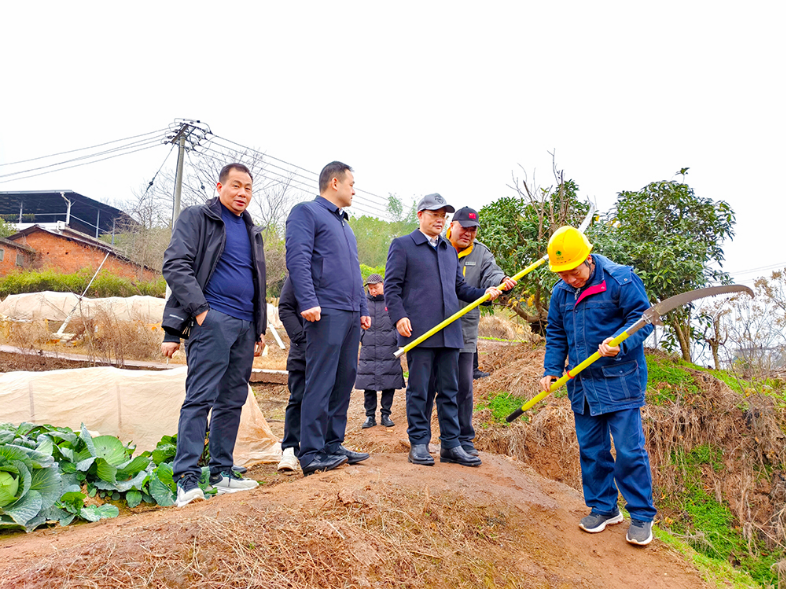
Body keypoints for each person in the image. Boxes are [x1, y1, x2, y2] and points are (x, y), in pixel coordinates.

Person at [539, 226, 656, 546]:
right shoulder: (560, 292)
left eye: (573, 272)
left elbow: (644, 319)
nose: (569, 279)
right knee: (592, 449)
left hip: (620, 380)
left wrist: (622, 344)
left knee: (630, 450)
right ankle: (604, 507)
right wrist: (551, 369)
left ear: (588, 259)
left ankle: (642, 515)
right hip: (582, 382)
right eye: (562, 274)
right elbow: (556, 332)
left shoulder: (620, 280)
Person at [161, 163, 266, 508]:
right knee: (200, 398)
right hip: (213, 320)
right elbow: (176, 264)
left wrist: (259, 328)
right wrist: (202, 312)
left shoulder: (252, 230)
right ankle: (187, 479)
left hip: (244, 324)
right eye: (236, 186)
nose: (242, 193)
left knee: (232, 399)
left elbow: (258, 281)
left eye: (248, 188)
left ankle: (221, 474)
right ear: (220, 186)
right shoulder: (198, 217)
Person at [384, 193, 503, 468]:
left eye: (443, 216)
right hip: (421, 332)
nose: (439, 220)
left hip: (450, 333)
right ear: (420, 215)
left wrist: (484, 293)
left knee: (450, 390)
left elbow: (459, 288)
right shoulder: (403, 246)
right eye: (434, 214)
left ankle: (451, 445)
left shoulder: (449, 250)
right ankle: (419, 443)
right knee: (420, 390)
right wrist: (399, 317)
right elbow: (391, 287)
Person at [285, 161, 371, 476]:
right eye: (351, 183)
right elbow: (297, 257)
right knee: (320, 381)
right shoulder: (306, 212)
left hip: (349, 312)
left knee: (343, 379)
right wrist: (307, 299)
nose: (354, 189)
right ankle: (310, 452)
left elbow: (354, 270)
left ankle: (333, 444)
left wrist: (363, 307)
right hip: (325, 310)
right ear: (334, 182)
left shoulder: (345, 225)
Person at [429, 207, 516, 456]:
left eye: (473, 229)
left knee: (463, 387)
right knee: (428, 385)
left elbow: (493, 273)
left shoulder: (481, 252)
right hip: (433, 327)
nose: (468, 233)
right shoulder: (436, 246)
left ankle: (463, 439)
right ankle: (421, 439)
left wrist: (501, 282)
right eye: (464, 227)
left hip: (464, 330)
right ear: (452, 226)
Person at [355, 273, 405, 429]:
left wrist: (396, 339)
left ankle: (386, 414)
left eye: (375, 288)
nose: (373, 291)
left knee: (389, 382)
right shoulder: (363, 303)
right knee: (368, 384)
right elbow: (357, 322)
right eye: (370, 289)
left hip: (389, 348)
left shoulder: (392, 301)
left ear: (383, 285)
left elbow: (400, 319)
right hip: (368, 349)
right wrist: (362, 336)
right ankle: (370, 417)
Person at [276, 275, 304, 473]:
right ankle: (290, 448)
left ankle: (320, 447)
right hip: (302, 351)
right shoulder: (297, 276)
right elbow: (285, 308)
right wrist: (301, 338)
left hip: (328, 351)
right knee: (298, 399)